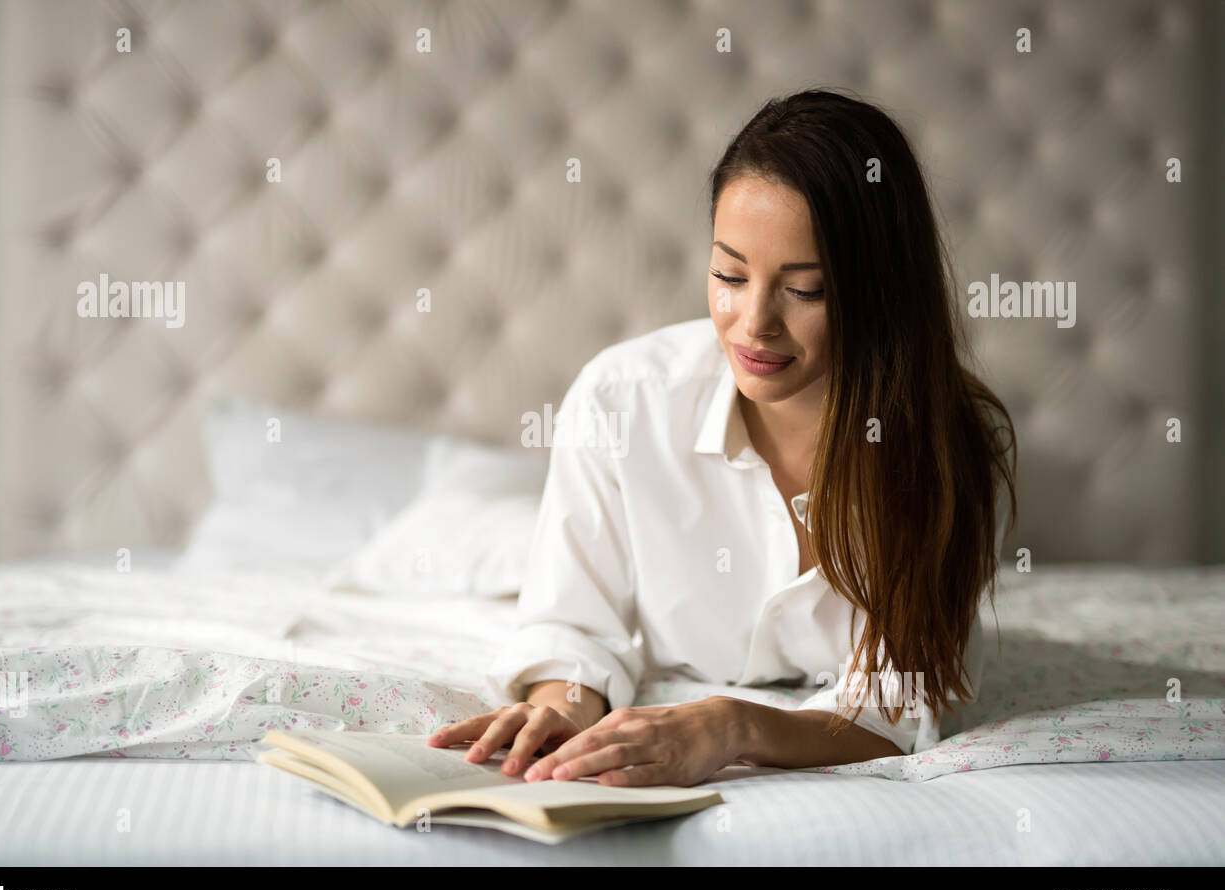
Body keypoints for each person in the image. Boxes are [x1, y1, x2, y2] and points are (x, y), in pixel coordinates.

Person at [428, 88, 1017, 787]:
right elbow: (573, 626)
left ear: (882, 290)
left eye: (804, 290)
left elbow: (895, 707)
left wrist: (734, 725)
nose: (753, 323)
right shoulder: (623, 401)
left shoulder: (957, 449)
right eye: (729, 276)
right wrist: (563, 708)